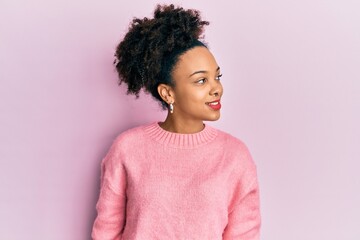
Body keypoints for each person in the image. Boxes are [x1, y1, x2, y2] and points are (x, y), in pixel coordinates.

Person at [91, 4, 261, 240]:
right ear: (168, 93)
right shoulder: (127, 149)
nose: (216, 89)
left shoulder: (234, 156)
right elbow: (106, 233)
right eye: (201, 81)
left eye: (217, 77)